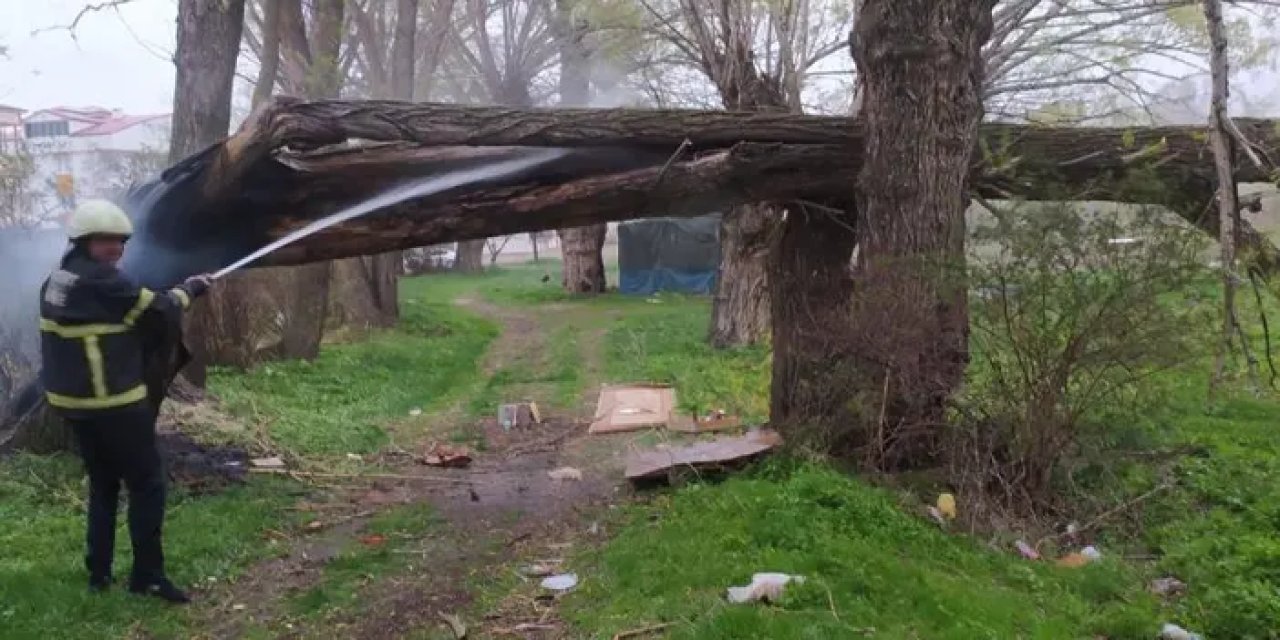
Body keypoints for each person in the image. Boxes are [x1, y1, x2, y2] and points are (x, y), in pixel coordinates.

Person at [38, 199, 213, 603]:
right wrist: (191, 289)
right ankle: (148, 576)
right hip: (113, 404)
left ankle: (98, 573)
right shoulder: (106, 283)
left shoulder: (58, 280)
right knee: (147, 484)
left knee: (103, 485)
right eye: (106, 242)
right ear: (84, 242)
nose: (115, 249)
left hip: (73, 405)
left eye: (120, 242)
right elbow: (161, 310)